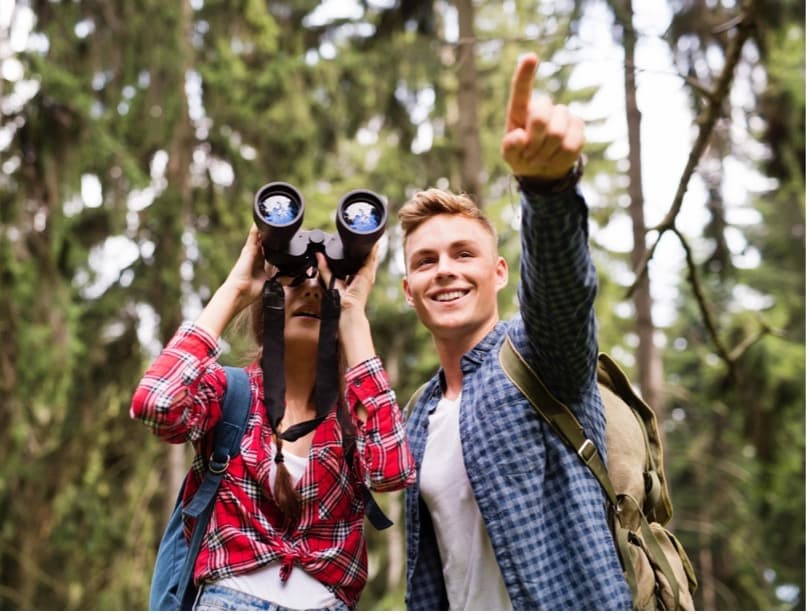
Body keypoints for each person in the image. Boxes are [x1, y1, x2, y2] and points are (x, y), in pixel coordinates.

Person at [398, 52, 632, 610]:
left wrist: (547, 192)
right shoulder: (417, 419)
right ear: (409, 290)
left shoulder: (537, 355)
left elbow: (562, 295)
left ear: (498, 272)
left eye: (463, 253)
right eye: (425, 261)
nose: (445, 270)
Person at [130, 229, 415, 611]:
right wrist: (235, 289)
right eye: (295, 279)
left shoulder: (355, 415)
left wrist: (352, 316)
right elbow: (156, 404)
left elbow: (392, 472)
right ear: (268, 300)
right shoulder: (229, 393)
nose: (311, 289)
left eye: (324, 284)